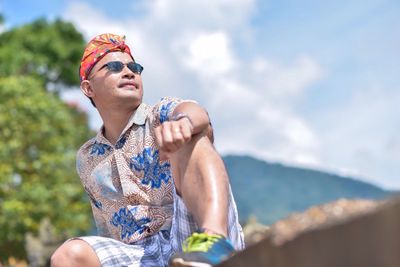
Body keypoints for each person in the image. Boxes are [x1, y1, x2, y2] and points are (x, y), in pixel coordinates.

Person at [51, 33, 244, 267]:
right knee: (68, 255)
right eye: (113, 67)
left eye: (134, 67)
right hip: (137, 255)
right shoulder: (87, 157)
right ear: (88, 88)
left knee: (192, 134)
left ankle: (214, 240)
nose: (129, 71)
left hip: (189, 237)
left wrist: (184, 123)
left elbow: (194, 112)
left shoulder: (161, 114)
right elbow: (108, 235)